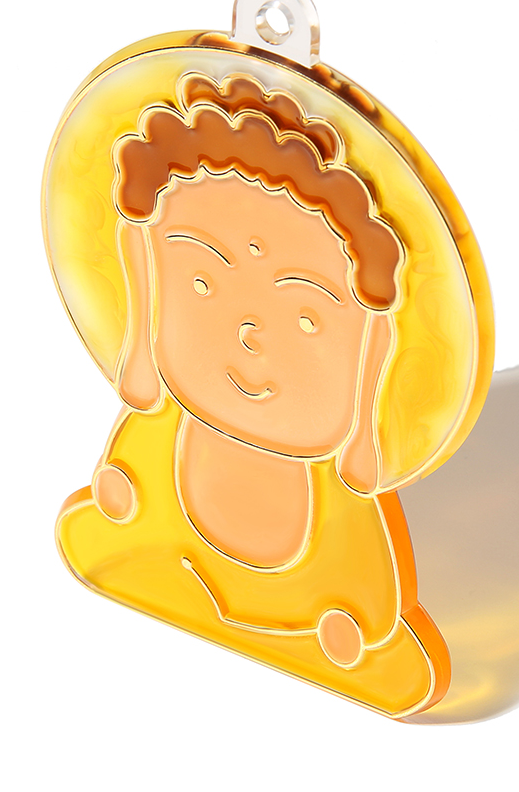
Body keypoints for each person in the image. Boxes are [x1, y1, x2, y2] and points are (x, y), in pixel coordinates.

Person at [56, 69, 451, 716]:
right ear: (148, 285)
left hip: (308, 621)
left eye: (305, 318)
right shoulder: (154, 439)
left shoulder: (344, 520)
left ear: (369, 356)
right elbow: (122, 520)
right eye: (203, 283)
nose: (247, 331)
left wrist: (354, 625)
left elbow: (366, 612)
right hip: (168, 571)